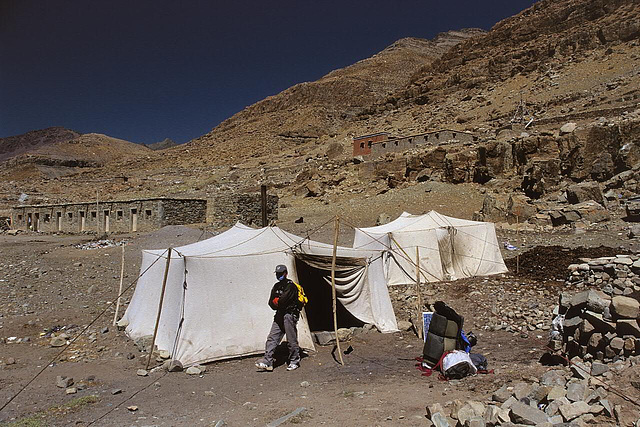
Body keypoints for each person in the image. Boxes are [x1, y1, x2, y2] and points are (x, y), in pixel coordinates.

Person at [256, 264, 301, 372]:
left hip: (289, 315)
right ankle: (268, 361)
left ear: (286, 273)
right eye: (277, 273)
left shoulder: (291, 286)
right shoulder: (276, 286)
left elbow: (282, 301)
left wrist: (277, 301)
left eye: (280, 273)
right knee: (272, 337)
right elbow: (271, 303)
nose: (278, 275)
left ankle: (294, 361)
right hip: (279, 314)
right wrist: (277, 302)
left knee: (291, 339)